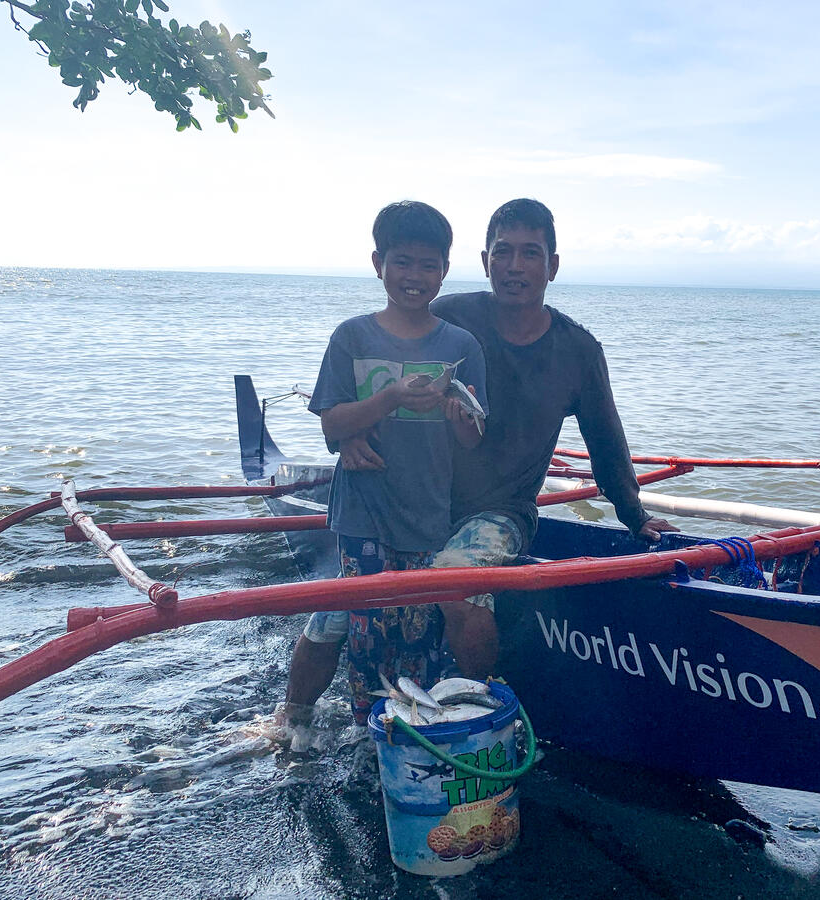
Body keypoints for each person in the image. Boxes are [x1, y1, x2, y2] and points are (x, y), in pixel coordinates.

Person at [339, 198, 676, 678]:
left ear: (552, 266)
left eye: (530, 253)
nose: (514, 267)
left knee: (453, 582)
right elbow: (377, 365)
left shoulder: (577, 350)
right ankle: (297, 718)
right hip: (421, 502)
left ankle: (481, 703)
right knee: (336, 616)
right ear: (484, 262)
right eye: (502, 252)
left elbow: (606, 441)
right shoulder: (450, 318)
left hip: (502, 512)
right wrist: (349, 437)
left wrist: (634, 514)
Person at [283, 200, 487, 726]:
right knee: (361, 628)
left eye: (428, 265)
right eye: (402, 261)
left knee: (418, 633)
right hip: (363, 514)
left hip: (428, 515)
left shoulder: (461, 345)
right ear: (378, 263)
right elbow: (332, 427)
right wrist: (391, 397)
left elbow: (471, 440)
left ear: (445, 270)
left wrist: (458, 414)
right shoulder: (352, 337)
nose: (414, 276)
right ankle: (333, 727)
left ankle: (407, 732)